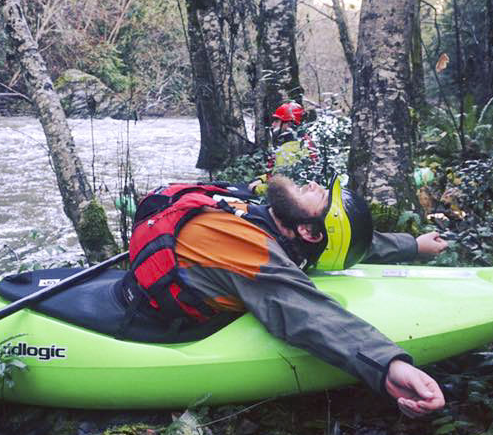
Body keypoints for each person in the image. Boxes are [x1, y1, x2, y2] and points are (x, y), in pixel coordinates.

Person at [125, 175, 448, 417]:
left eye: (319, 196)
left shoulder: (255, 244)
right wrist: (413, 245)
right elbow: (328, 246)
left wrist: (388, 366)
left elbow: (307, 311)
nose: (312, 183)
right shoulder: (254, 228)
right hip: (141, 320)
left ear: (309, 231)